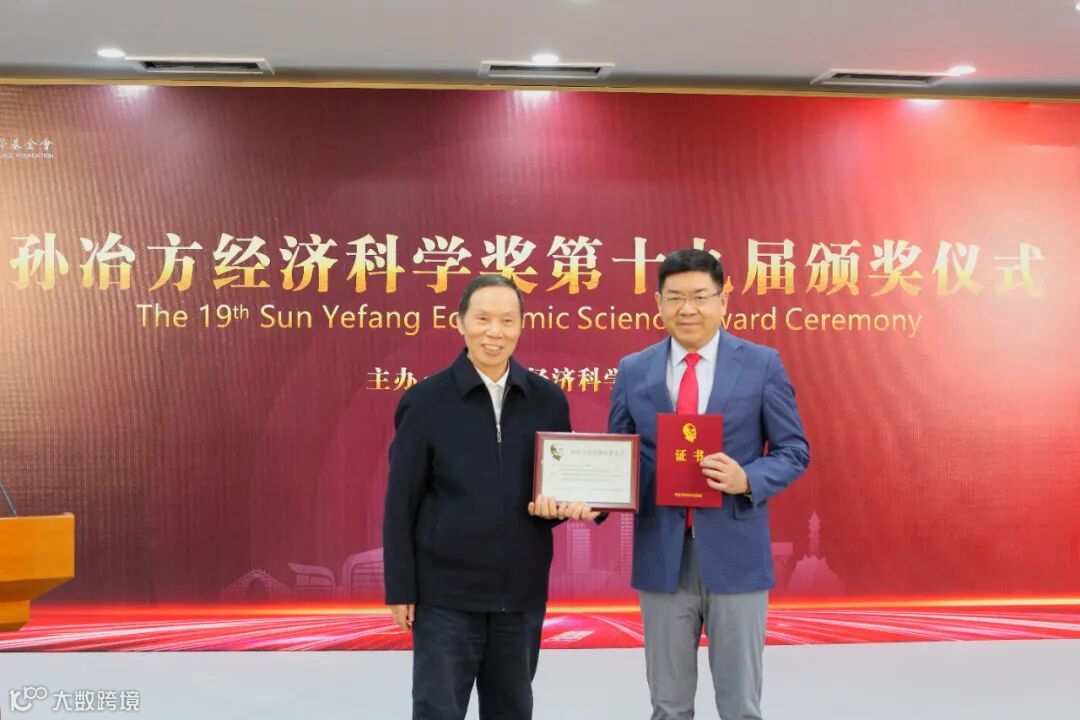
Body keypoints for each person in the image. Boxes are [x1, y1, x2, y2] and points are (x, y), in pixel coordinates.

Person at [383, 273, 598, 720]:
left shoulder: (547, 399)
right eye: (482, 319)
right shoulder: (425, 402)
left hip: (519, 596)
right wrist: (400, 587)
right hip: (445, 598)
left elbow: (557, 489)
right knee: (437, 710)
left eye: (507, 320)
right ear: (460, 323)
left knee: (512, 710)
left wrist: (568, 508)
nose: (494, 332)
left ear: (521, 325)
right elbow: (400, 502)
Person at [608, 248, 810, 720]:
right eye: (675, 297)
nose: (688, 308)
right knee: (668, 706)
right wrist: (591, 497)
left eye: (700, 296)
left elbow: (794, 450)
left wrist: (747, 478)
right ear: (658, 303)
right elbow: (618, 456)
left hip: (737, 555)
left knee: (740, 706)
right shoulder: (634, 369)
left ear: (723, 300)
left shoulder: (761, 364)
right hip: (662, 557)